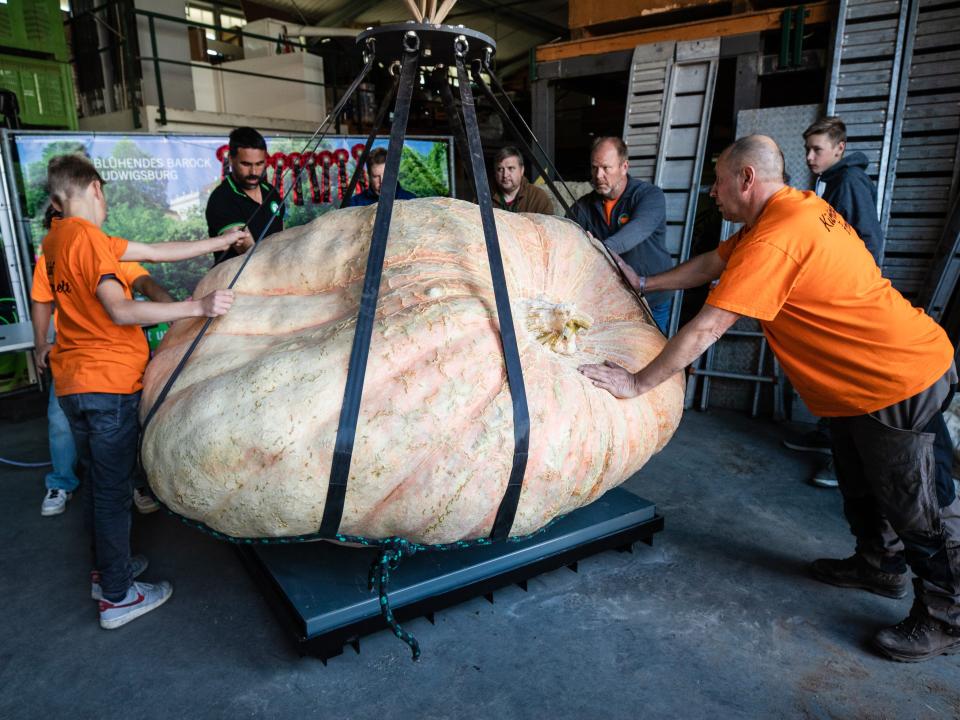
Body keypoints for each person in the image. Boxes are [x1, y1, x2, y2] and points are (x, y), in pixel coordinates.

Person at [579, 135, 960, 663]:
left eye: (718, 180)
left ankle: (946, 616)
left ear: (747, 180)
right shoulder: (790, 210)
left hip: (894, 376)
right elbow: (714, 261)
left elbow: (708, 326)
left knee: (916, 505)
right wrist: (644, 281)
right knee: (860, 482)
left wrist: (636, 382)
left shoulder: (777, 237)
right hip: (854, 385)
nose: (712, 192)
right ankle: (878, 567)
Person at [43, 153, 251, 629]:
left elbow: (153, 252)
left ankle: (107, 572)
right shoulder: (88, 238)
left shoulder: (58, 239)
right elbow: (120, 311)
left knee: (99, 485)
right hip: (107, 385)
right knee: (114, 492)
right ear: (96, 188)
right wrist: (197, 305)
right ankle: (118, 597)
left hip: (74, 382)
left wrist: (219, 241)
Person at [32, 240, 173, 516]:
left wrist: (173, 307)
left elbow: (145, 281)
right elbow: (41, 299)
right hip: (73, 358)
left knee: (129, 423)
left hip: (116, 361)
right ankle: (62, 482)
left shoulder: (107, 250)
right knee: (60, 422)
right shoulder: (52, 256)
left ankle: (135, 483)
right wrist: (40, 342)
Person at [786, 117, 887, 488]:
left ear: (839, 149)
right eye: (807, 149)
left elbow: (868, 240)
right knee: (829, 372)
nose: (810, 157)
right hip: (834, 293)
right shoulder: (834, 182)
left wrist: (853, 295)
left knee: (844, 378)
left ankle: (839, 460)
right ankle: (828, 435)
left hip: (847, 300)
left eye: (817, 150)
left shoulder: (850, 183)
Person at [567, 137, 674, 333]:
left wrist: (596, 249)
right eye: (594, 168)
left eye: (606, 168)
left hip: (651, 297)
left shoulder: (649, 196)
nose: (598, 175)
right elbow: (566, 236)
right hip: (612, 299)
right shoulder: (584, 206)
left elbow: (636, 231)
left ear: (624, 167)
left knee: (651, 355)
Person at [205, 126, 284, 266]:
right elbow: (250, 253)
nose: (254, 171)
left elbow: (281, 236)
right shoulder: (222, 198)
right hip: (236, 282)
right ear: (231, 159)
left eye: (259, 164)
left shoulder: (271, 192)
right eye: (246, 164)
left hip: (273, 275)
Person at [491, 146, 554, 214]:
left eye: (511, 168)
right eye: (500, 169)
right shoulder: (483, 196)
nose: (505, 175)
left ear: (522, 170)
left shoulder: (539, 198)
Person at [348, 147, 416, 206]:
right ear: (369, 176)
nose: (382, 181)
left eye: (386, 175)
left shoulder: (411, 201)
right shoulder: (355, 204)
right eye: (376, 176)